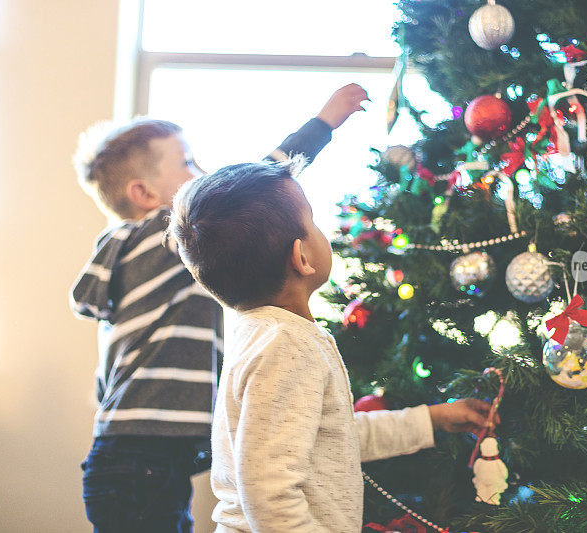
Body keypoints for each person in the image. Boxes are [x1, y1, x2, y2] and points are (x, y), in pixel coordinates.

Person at [70, 83, 370, 533]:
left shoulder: (131, 259)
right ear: (145, 194)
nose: (202, 171)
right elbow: (252, 187)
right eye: (187, 163)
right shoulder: (160, 236)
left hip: (133, 459)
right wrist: (322, 124)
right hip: (137, 462)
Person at [168, 161, 497, 532]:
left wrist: (433, 419)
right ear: (302, 258)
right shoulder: (285, 345)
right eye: (313, 221)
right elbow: (269, 494)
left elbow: (335, 437)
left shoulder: (262, 333)